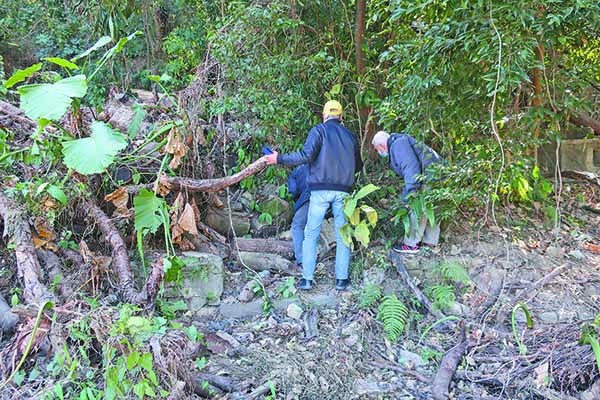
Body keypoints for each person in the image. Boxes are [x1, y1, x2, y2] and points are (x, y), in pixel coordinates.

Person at [264, 100, 362, 290]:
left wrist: (279, 158)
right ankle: (342, 280)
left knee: (310, 233)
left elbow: (306, 156)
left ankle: (307, 279)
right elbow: (358, 166)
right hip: (343, 191)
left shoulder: (319, 131)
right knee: (342, 234)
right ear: (341, 116)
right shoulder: (350, 136)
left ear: (324, 116)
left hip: (320, 190)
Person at [371, 130, 442, 254]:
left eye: (378, 149)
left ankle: (411, 245)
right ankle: (430, 242)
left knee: (418, 209)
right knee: (431, 209)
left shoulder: (398, 145)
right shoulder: (401, 141)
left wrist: (411, 191)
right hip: (437, 175)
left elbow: (410, 168)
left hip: (428, 176)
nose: (379, 152)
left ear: (381, 146)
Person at [287, 164, 310, 270]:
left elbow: (293, 191)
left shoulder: (297, 171)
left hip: (308, 197)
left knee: (297, 225)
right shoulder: (322, 162)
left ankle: (302, 261)